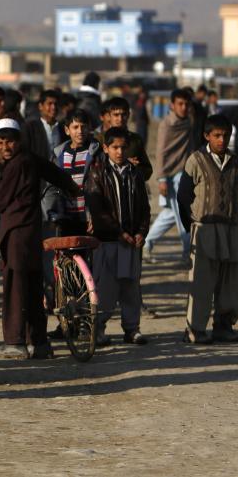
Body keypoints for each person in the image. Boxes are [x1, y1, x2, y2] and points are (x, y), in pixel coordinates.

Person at [0, 118, 78, 359]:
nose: (5, 147)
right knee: (31, 288)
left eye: (9, 141)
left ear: (18, 142)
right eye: (0, 142)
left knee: (16, 289)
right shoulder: (29, 158)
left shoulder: (16, 164)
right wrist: (71, 186)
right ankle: (39, 343)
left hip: (17, 233)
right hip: (30, 234)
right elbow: (53, 172)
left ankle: (15, 342)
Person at [177, 114, 238, 344]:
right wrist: (192, 227)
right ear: (207, 136)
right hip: (204, 228)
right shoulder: (195, 160)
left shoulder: (235, 161)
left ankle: (224, 327)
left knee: (230, 281)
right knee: (202, 281)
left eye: (225, 135)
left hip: (230, 228)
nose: (222, 140)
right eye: (217, 135)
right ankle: (195, 329)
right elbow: (182, 196)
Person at [86, 128, 151, 346]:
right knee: (105, 289)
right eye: (115, 147)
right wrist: (119, 232)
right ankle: (100, 329)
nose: (120, 152)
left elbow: (144, 207)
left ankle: (132, 329)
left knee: (131, 287)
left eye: (123, 147)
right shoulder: (97, 173)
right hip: (108, 241)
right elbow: (98, 211)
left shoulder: (135, 174)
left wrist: (141, 231)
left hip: (131, 241)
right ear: (105, 148)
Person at [145, 89, 195, 261]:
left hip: (185, 174)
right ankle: (188, 252)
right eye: (180, 104)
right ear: (172, 105)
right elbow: (161, 152)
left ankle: (146, 243)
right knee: (184, 215)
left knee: (170, 215)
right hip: (172, 176)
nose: (183, 107)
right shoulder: (167, 124)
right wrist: (162, 179)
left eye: (186, 104)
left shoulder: (188, 121)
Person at [45, 109, 99, 237]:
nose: (80, 131)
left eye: (83, 127)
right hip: (64, 218)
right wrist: (51, 214)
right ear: (67, 130)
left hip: (88, 219)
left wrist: (96, 215)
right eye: (75, 127)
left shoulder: (97, 154)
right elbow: (51, 187)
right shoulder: (59, 155)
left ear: (89, 128)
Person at [94, 97, 153, 182]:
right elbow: (94, 166)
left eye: (123, 114)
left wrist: (134, 170)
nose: (120, 119)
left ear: (129, 115)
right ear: (109, 116)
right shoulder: (99, 139)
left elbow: (147, 170)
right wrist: (123, 163)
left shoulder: (135, 140)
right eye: (116, 115)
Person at [22, 90, 63, 160]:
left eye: (56, 104)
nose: (53, 107)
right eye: (50, 104)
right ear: (40, 106)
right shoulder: (30, 128)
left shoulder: (62, 129)